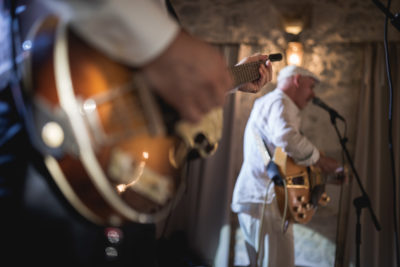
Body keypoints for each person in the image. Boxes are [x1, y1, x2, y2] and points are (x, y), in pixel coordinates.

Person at [0, 0, 273, 266]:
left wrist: (231, 79)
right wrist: (165, 45)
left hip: (126, 184)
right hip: (46, 127)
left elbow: (148, 91)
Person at [231, 65, 342, 267]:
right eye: (311, 86)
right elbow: (287, 138)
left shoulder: (272, 102)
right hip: (264, 200)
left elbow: (284, 152)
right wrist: (322, 161)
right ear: (297, 80)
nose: (313, 94)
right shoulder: (280, 102)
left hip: (264, 200)